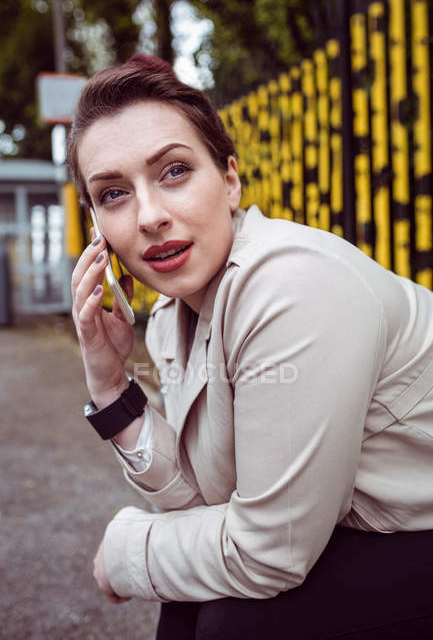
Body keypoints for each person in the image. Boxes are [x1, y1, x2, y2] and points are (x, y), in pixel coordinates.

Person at [68, 54, 433, 640]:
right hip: (373, 531)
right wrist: (112, 386)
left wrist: (128, 550)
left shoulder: (293, 288)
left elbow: (270, 552)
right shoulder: (169, 318)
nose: (151, 216)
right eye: (113, 194)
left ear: (231, 180)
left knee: (233, 621)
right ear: (97, 229)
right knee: (194, 597)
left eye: (174, 171)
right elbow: (207, 503)